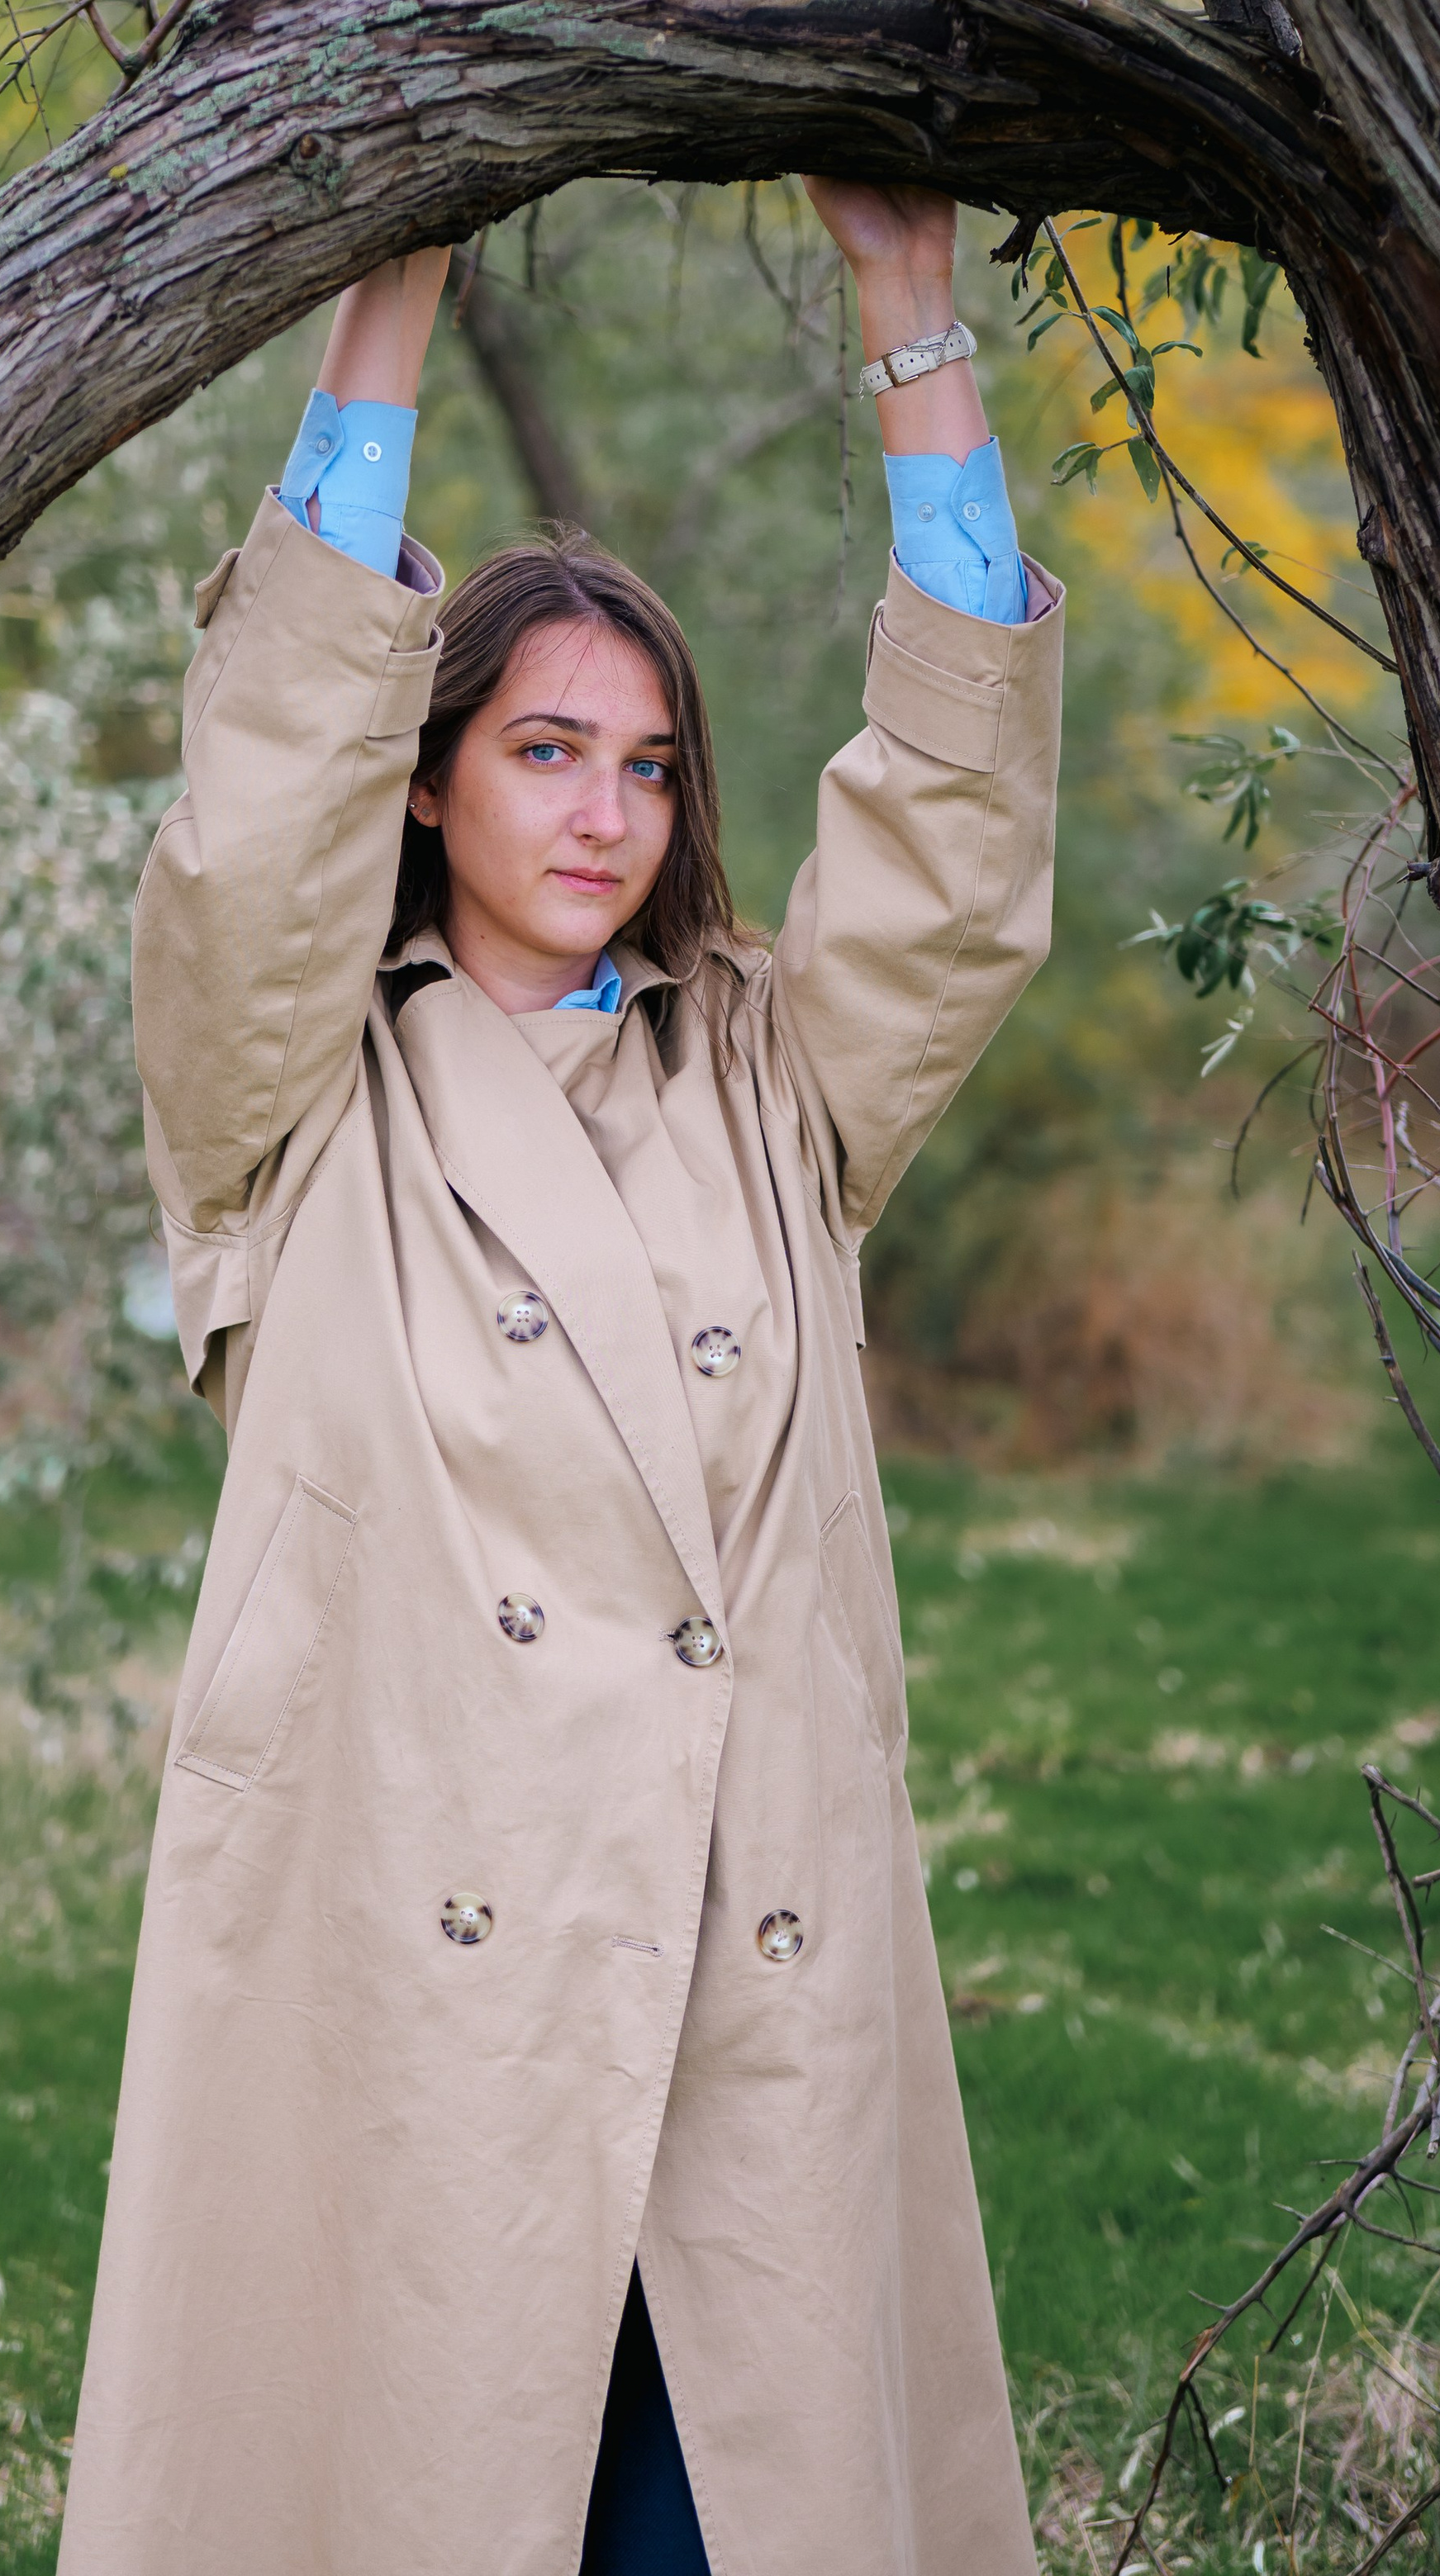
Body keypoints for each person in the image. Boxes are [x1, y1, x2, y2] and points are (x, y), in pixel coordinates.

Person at [58, 179, 1063, 2576]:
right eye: (540, 754)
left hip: (740, 1967)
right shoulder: (296, 1103)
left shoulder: (775, 1077)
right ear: (428, 780)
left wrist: (914, 324)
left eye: (642, 764)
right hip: (424, 1977)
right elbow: (245, 850)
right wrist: (381, 295)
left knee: (715, 2513)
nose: (602, 814)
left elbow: (955, 853)